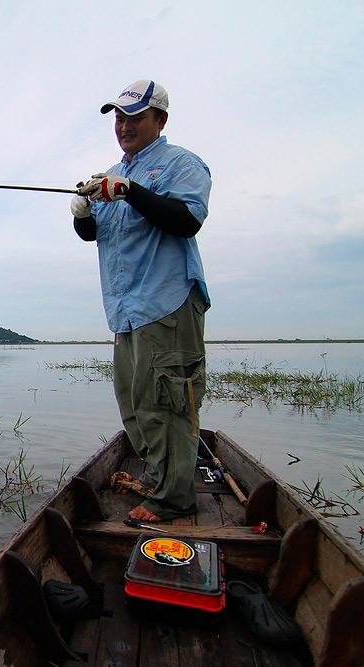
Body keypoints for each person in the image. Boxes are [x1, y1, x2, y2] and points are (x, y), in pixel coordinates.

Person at [71, 79, 211, 522]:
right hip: (125, 312)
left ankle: (174, 498)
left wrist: (130, 190)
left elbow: (187, 220)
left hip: (166, 303)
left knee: (165, 401)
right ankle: (158, 477)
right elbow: (96, 235)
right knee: (133, 401)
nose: (123, 125)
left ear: (160, 120)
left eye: (134, 117)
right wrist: (84, 211)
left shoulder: (181, 164)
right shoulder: (111, 173)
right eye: (118, 117)